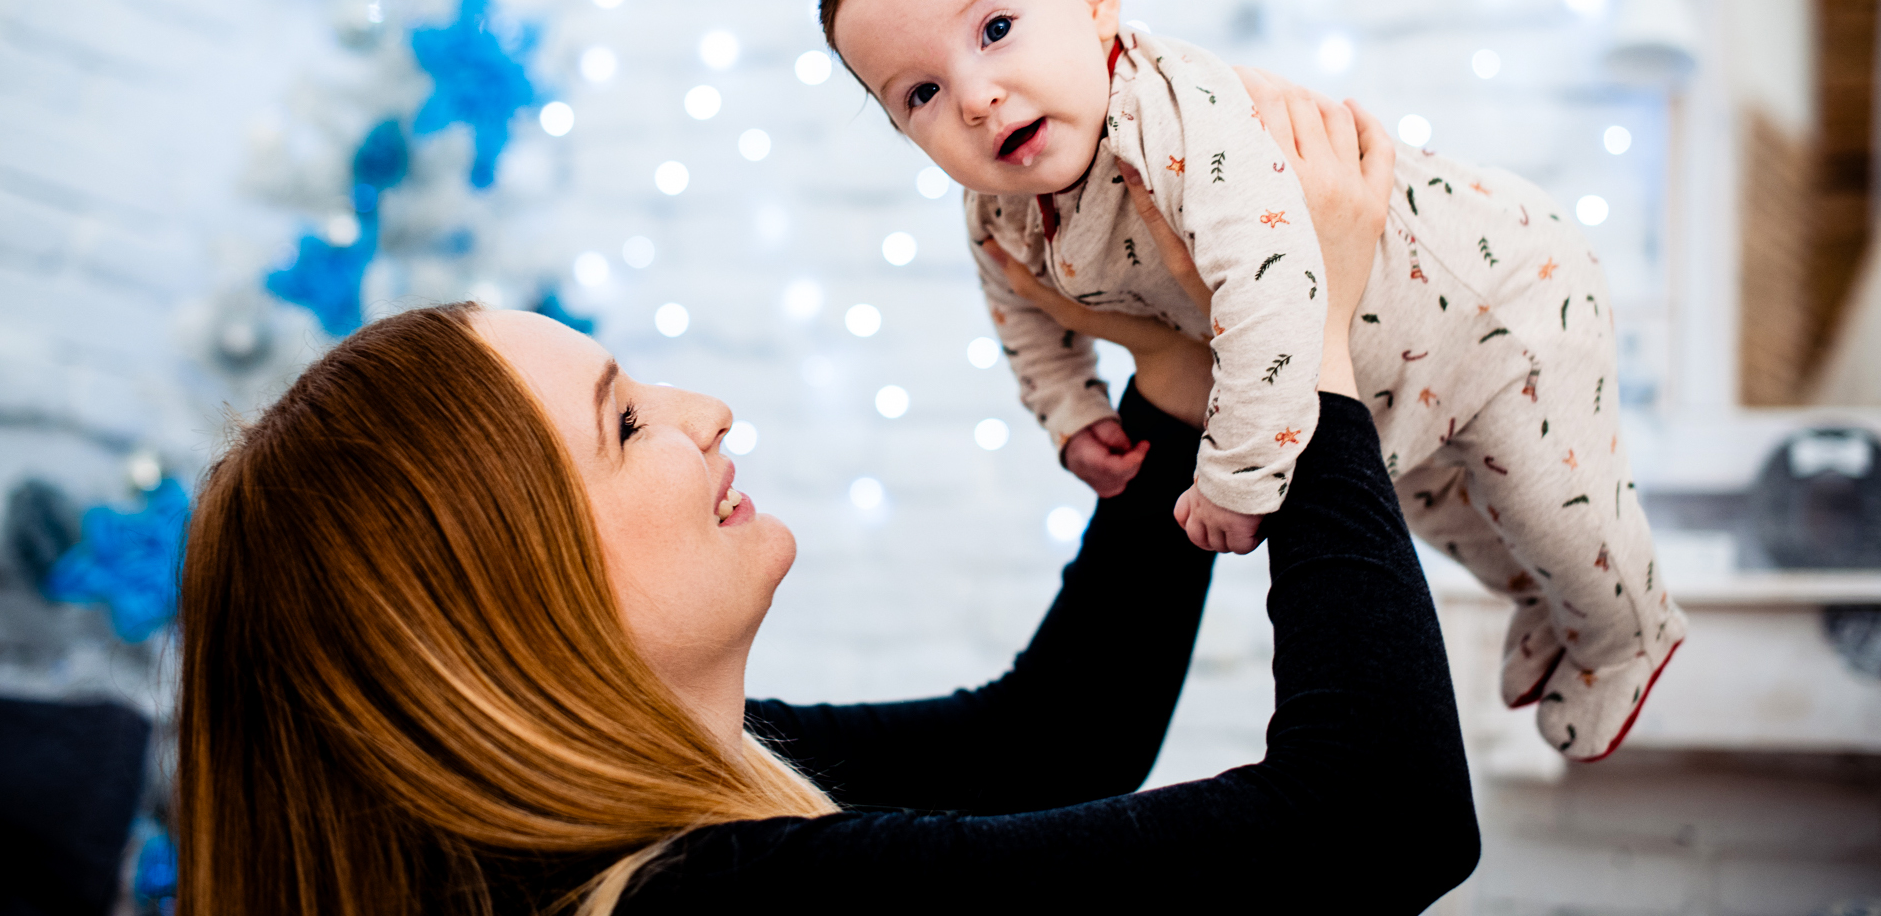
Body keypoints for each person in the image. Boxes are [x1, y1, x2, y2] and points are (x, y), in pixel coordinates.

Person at [177, 74, 1479, 914]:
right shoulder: (704, 900)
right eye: (624, 423)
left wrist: (1179, 368)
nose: (704, 416)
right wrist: (1302, 339)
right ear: (503, 608)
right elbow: (1377, 815)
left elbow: (1055, 737)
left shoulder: (694, 796)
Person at [819, 0, 1685, 761]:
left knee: (1548, 500)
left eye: (995, 28)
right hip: (1378, 382)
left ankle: (1629, 629)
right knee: (1457, 519)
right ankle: (1551, 603)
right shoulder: (996, 210)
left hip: (1497, 304)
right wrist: (1070, 411)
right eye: (919, 93)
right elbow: (1023, 317)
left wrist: (1235, 475)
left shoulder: (1176, 118)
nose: (973, 95)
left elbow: (1270, 290)